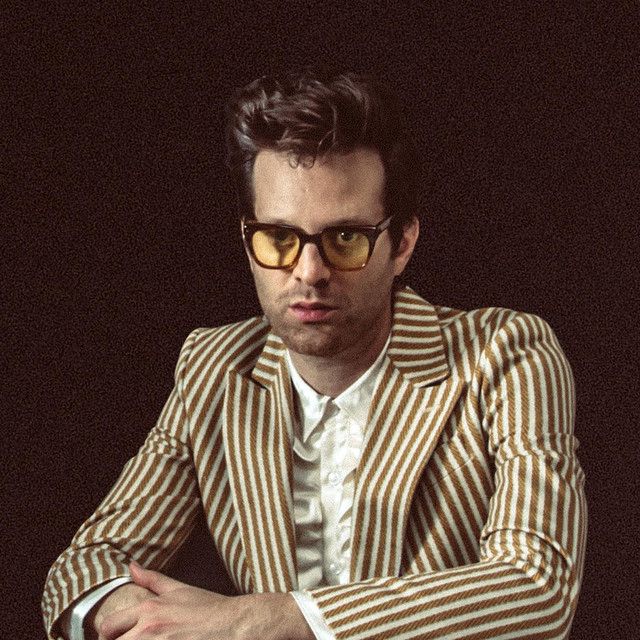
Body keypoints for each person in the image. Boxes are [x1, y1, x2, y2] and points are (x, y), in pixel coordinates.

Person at [42, 70, 586, 640]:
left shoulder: (506, 354)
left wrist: (263, 620)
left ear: (401, 244)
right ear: (248, 239)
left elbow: (537, 586)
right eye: (279, 238)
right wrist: (143, 617)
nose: (308, 272)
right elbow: (83, 568)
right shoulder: (214, 366)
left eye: (344, 239)